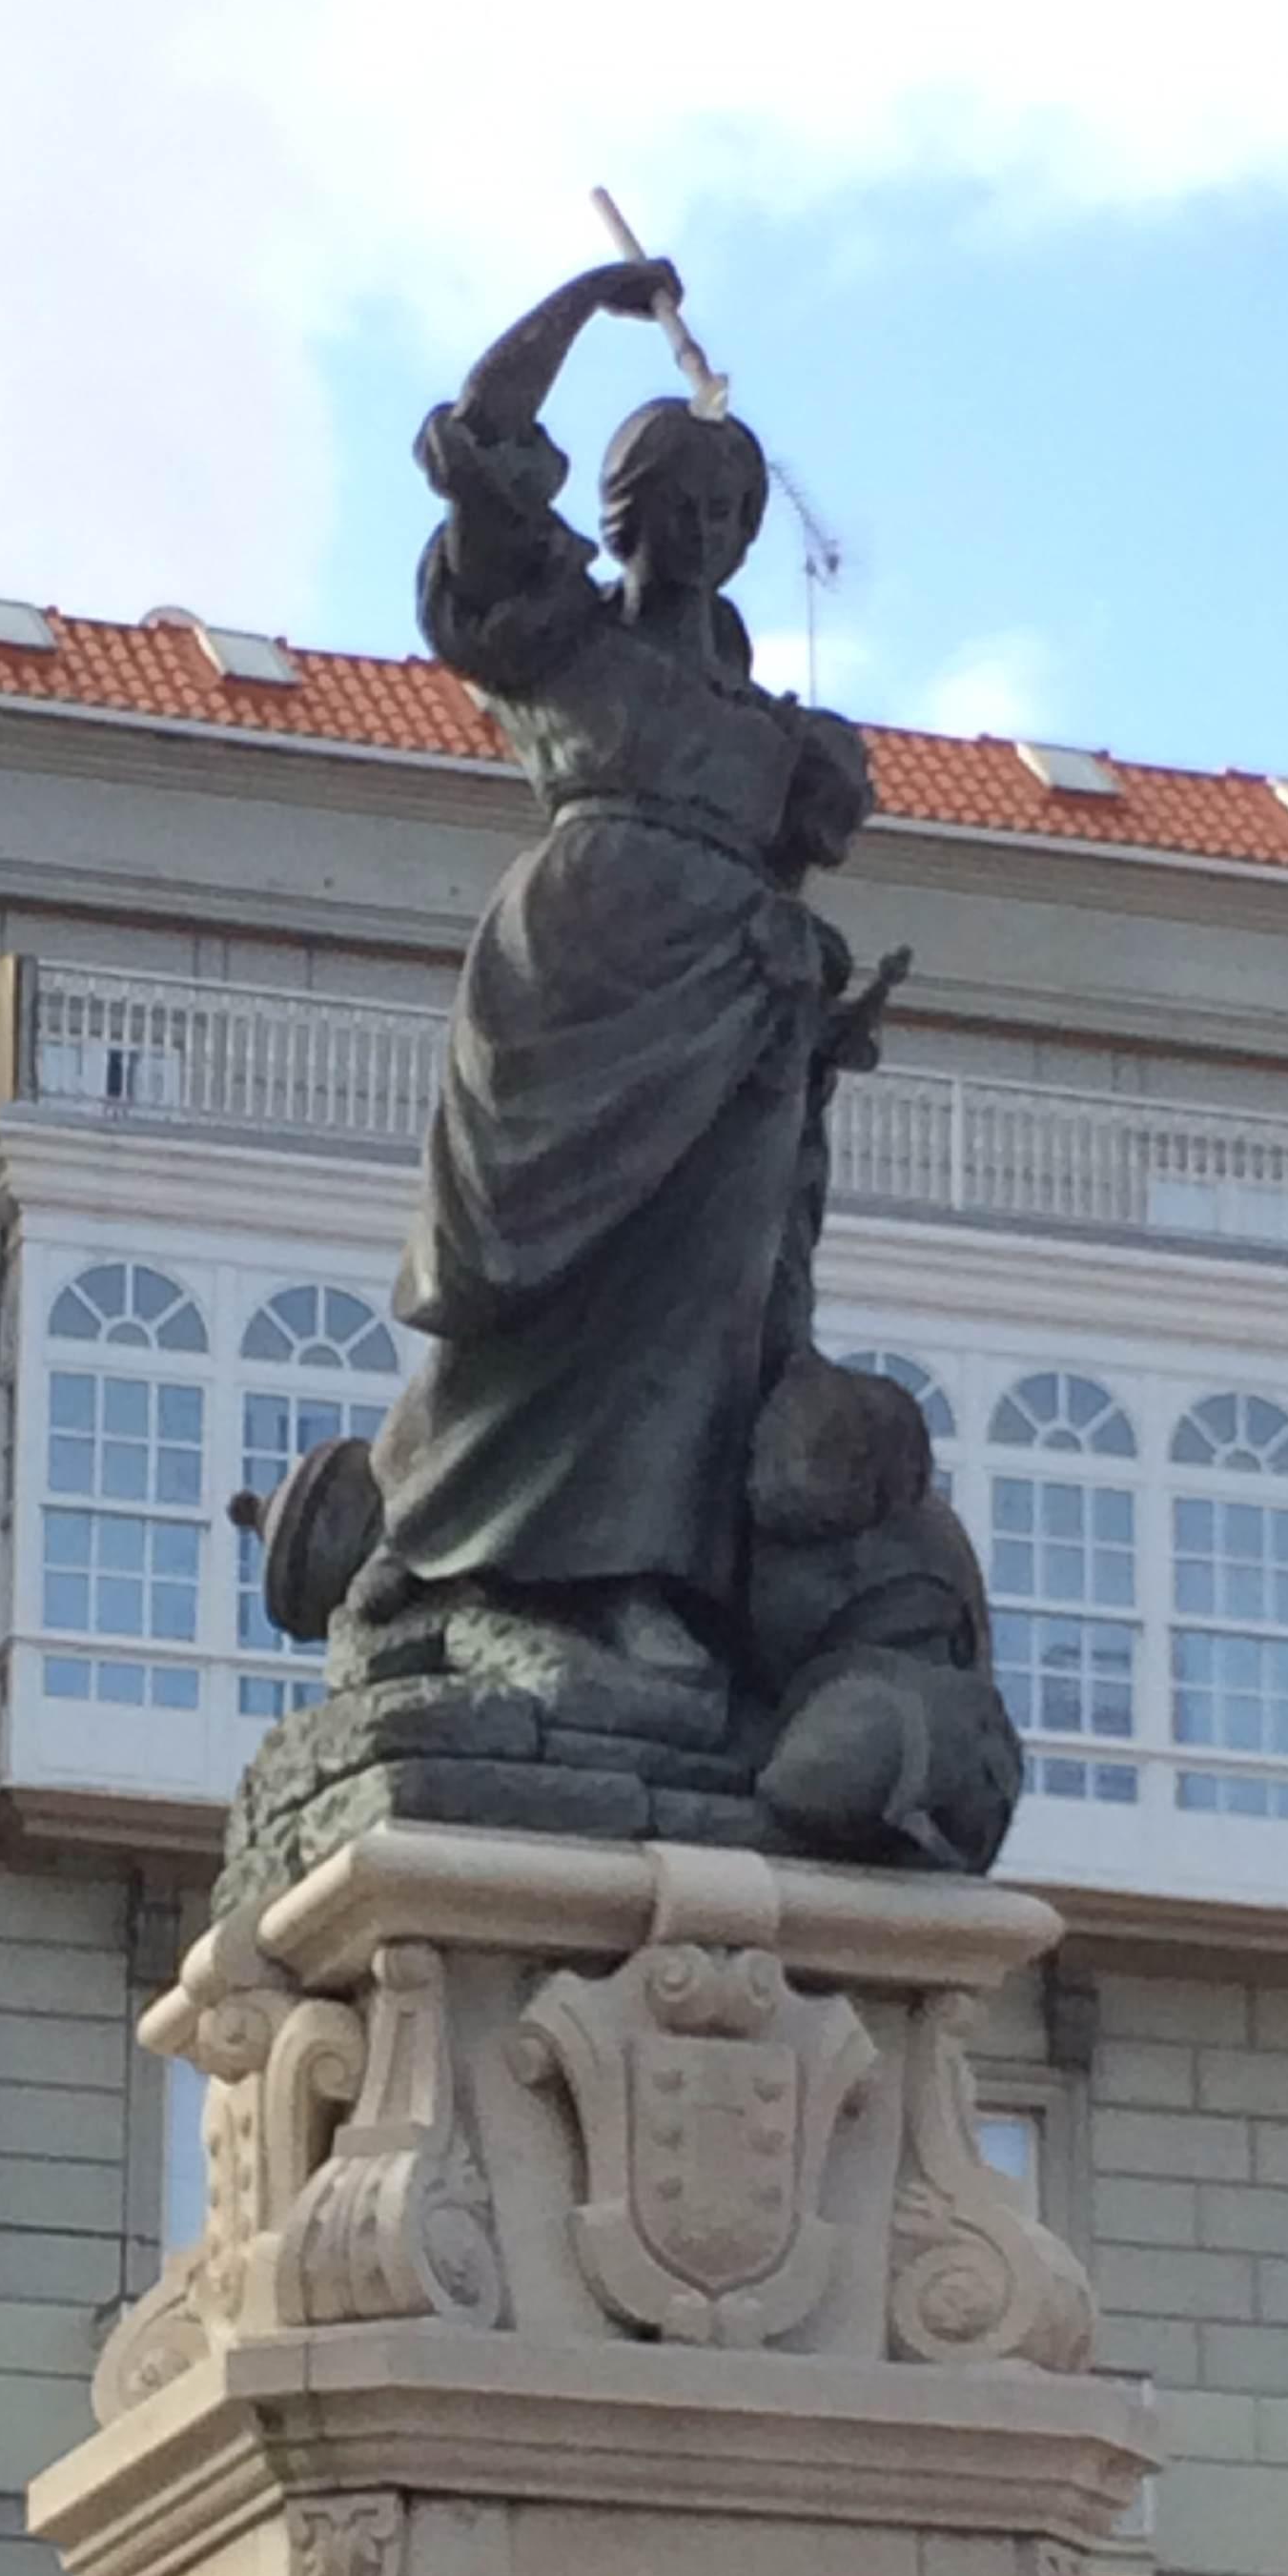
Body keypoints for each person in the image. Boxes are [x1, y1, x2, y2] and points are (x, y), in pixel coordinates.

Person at [361, 257, 882, 1686]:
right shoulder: (561, 636)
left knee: (701, 1299)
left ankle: (639, 1577)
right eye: (678, 507)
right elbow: (476, 451)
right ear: (625, 511)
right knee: (531, 1278)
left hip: (736, 1010)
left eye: (729, 514)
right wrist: (585, 303)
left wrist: (818, 1018)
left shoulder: (783, 736)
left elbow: (798, 870)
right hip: (578, 975)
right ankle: (431, 1538)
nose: (704, 534)